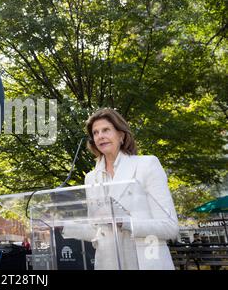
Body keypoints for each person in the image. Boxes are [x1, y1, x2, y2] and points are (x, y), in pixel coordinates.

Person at [63, 108, 179, 270]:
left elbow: (170, 227)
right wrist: (60, 226)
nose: (100, 136)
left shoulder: (146, 165)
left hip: (146, 262)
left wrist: (124, 222)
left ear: (121, 135)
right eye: (95, 133)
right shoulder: (91, 178)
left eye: (106, 130)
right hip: (107, 264)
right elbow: (96, 230)